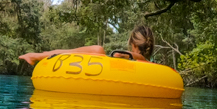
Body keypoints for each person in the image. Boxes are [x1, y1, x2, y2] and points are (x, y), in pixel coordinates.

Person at [18, 25, 155, 66]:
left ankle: (38, 55)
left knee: (98, 50)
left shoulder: (139, 60)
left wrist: (129, 55)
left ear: (133, 43)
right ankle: (42, 55)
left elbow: (137, 58)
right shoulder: (153, 66)